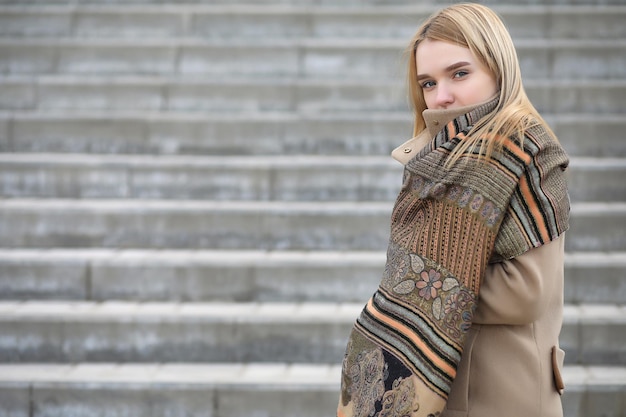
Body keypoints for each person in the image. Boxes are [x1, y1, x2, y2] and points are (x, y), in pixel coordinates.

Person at [337, 4, 570, 417]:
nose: (441, 95)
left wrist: (414, 287)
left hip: (501, 395)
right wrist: (420, 277)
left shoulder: (526, 150)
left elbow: (527, 294)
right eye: (428, 83)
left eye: (459, 73)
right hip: (440, 390)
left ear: (498, 68)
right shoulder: (440, 158)